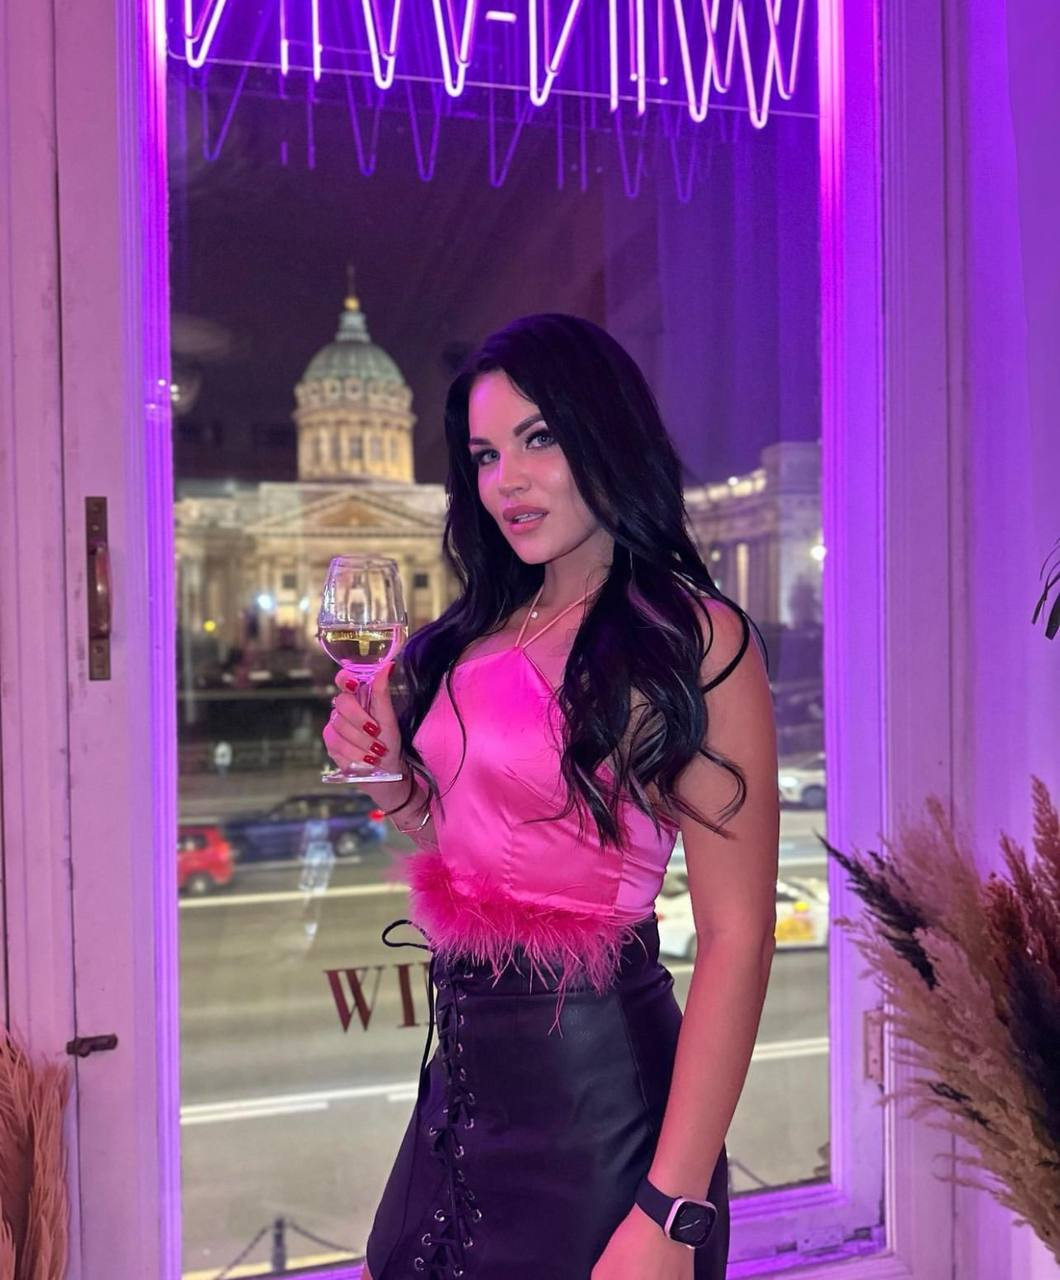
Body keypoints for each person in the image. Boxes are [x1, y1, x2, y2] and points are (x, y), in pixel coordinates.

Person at [324, 313, 779, 1280]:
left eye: (538, 439)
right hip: (462, 1087)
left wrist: (671, 1211)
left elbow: (738, 937)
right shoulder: (478, 630)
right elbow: (477, 838)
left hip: (603, 1104)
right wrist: (392, 779)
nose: (506, 482)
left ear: (605, 431)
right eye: (486, 455)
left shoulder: (692, 639)